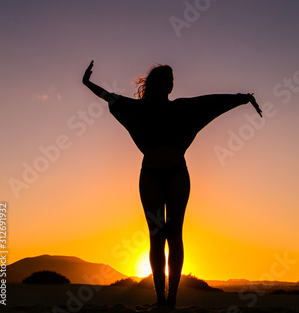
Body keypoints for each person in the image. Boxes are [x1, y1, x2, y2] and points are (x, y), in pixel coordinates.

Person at [82, 60, 262, 307]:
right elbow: (110, 97)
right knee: (156, 236)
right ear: (156, 82)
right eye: (167, 78)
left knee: (174, 235)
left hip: (177, 173)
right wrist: (87, 83)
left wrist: (242, 98)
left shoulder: (182, 108)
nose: (172, 82)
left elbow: (211, 102)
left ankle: (172, 300)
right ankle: (159, 299)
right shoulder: (139, 109)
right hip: (151, 174)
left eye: (172, 78)